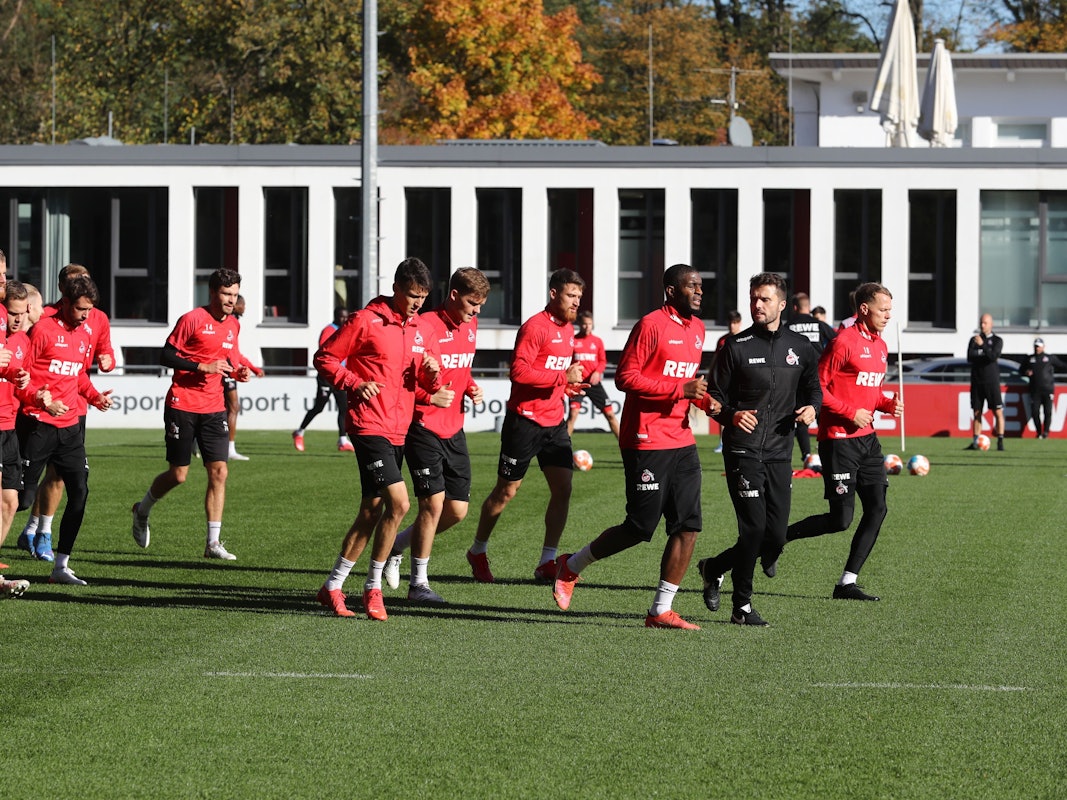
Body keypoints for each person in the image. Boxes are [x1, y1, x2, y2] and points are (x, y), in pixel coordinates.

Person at [552, 264, 719, 629]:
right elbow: (626, 377)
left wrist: (708, 403)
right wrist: (679, 390)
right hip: (646, 439)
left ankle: (660, 610)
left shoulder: (698, 329)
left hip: (681, 440)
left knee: (688, 526)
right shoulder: (650, 325)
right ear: (671, 290)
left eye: (701, 286)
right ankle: (571, 565)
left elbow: (686, 382)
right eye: (692, 286)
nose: (699, 292)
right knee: (640, 527)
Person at [313, 258, 441, 620]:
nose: (418, 303)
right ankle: (373, 588)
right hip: (368, 425)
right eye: (413, 295)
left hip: (399, 428)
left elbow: (426, 385)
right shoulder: (365, 320)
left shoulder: (422, 329)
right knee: (399, 504)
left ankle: (332, 586)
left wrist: (432, 374)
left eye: (423, 297)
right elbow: (325, 358)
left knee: (371, 511)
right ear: (396, 288)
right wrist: (354, 383)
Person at [696, 273, 821, 627]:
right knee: (752, 530)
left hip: (780, 452)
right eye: (754, 298)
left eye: (764, 299)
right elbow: (711, 398)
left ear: (782, 304)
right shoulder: (736, 346)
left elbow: (814, 389)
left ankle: (714, 566)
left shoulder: (801, 346)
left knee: (776, 537)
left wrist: (813, 408)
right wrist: (732, 416)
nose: (757, 305)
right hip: (742, 451)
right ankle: (742, 606)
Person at [769, 282, 903, 602]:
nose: (888, 315)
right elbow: (816, 389)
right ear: (864, 309)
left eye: (890, 310)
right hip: (839, 441)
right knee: (840, 520)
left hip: (867, 440)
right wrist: (849, 412)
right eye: (883, 309)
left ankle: (847, 583)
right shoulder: (843, 341)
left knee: (878, 508)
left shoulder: (881, 346)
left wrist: (886, 404)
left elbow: (869, 392)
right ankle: (777, 539)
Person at [466, 268, 586, 584]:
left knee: (563, 489)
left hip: (554, 423)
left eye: (579, 296)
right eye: (571, 295)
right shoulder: (535, 327)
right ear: (554, 294)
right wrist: (562, 377)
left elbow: (551, 375)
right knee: (506, 492)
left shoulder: (568, 329)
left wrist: (566, 387)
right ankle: (478, 550)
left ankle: (547, 561)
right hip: (524, 423)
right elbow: (518, 372)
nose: (576, 302)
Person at [382, 267, 490, 604]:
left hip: (454, 427)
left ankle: (397, 546)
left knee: (456, 511)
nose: (477, 311)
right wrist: (429, 397)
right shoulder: (424, 325)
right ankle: (419, 584)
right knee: (432, 504)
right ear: (454, 295)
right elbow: (403, 381)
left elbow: (461, 368)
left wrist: (469, 386)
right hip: (422, 426)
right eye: (472, 303)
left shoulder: (471, 324)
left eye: (481, 305)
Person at [130, 268, 251, 561]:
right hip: (182, 404)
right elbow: (166, 356)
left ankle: (213, 543)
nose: (231, 300)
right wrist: (201, 366)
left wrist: (239, 371)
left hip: (214, 407)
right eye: (226, 294)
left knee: (219, 471)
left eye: (234, 295)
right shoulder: (192, 319)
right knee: (179, 475)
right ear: (212, 293)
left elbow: (231, 360)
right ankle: (142, 510)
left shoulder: (233, 325)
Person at [18, 274, 114, 585]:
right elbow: (20, 376)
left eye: (89, 310)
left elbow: (78, 375)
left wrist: (95, 397)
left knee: (80, 492)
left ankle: (61, 566)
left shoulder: (85, 333)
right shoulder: (43, 330)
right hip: (37, 425)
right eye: (81, 309)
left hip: (70, 428)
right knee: (20, 499)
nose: (86, 316)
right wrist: (41, 400)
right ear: (66, 303)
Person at [0, 282, 31, 572]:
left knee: (11, 502)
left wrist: (32, 390)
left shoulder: (23, 342)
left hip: (9, 428)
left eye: (22, 313)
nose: (18, 319)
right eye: (12, 313)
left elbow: (24, 384)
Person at [292, 307, 354, 453]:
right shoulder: (329, 330)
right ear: (335, 316)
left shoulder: (345, 330)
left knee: (344, 408)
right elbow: (324, 352)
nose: (344, 320)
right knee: (319, 407)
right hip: (326, 377)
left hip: (340, 376)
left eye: (346, 317)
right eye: (342, 317)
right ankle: (299, 432)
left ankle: (342, 440)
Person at [787, 292, 836, 464]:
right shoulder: (819, 324)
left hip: (798, 377)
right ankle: (827, 454)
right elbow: (837, 341)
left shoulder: (789, 326)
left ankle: (807, 456)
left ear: (794, 307)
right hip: (819, 377)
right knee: (823, 417)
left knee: (801, 417)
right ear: (808, 307)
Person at [223, 294, 264, 461]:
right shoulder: (230, 322)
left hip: (228, 368)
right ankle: (229, 449)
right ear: (236, 305)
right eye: (243, 304)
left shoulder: (232, 321)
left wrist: (253, 368)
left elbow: (236, 353)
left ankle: (198, 439)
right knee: (233, 407)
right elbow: (229, 351)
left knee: (220, 408)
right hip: (226, 370)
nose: (244, 307)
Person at [567, 311, 619, 439]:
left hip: (594, 383)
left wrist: (597, 372)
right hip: (577, 384)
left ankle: (625, 447)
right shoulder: (573, 341)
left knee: (610, 415)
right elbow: (567, 361)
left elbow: (602, 361)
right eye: (584, 324)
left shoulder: (597, 341)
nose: (587, 327)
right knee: (573, 415)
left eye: (589, 324)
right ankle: (563, 448)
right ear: (580, 324)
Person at [967, 313, 1005, 451]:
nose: (982, 325)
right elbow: (970, 357)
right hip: (977, 381)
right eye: (981, 323)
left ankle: (1000, 441)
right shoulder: (974, 340)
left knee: (997, 411)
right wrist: (984, 353)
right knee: (977, 412)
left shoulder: (997, 340)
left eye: (985, 323)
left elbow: (993, 356)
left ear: (991, 324)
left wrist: (983, 346)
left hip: (991, 381)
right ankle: (975, 441)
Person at [1021, 337, 1066, 439]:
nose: (1037, 348)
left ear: (1043, 347)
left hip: (1048, 389)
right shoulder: (1029, 359)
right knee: (1035, 412)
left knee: (1048, 412)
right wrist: (1026, 372)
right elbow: (1021, 370)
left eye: (1039, 346)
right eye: (1036, 346)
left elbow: (1062, 365)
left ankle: (1045, 432)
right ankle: (1038, 432)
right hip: (1034, 390)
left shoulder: (1049, 358)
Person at [713, 310, 743, 454]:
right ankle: (721, 442)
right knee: (722, 408)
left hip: (740, 382)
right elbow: (715, 361)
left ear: (739, 323)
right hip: (724, 382)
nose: (732, 326)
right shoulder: (722, 341)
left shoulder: (745, 339)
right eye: (730, 323)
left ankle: (740, 440)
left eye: (735, 323)